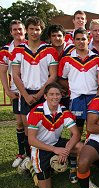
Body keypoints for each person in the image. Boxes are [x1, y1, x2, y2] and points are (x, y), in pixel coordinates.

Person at [11, 16, 58, 159]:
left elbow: (53, 76)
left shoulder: (50, 50)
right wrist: (25, 95)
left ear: (41, 30)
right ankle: (31, 159)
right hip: (26, 94)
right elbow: (15, 75)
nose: (34, 32)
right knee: (28, 129)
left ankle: (47, 158)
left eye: (37, 29)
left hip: (44, 93)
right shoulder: (18, 50)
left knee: (47, 127)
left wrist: (38, 95)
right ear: (27, 30)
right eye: (31, 29)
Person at [27, 82, 83, 188]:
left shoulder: (63, 110)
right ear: (45, 96)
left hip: (56, 143)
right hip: (40, 148)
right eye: (51, 94)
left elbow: (76, 134)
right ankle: (30, 166)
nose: (55, 97)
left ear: (61, 96)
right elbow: (31, 140)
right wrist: (55, 150)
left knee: (80, 146)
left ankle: (78, 174)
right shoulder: (36, 112)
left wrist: (66, 151)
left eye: (57, 94)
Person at [58, 28, 99, 134]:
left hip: (93, 97)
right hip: (76, 98)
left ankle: (91, 149)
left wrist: (97, 96)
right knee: (77, 130)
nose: (81, 42)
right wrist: (71, 90)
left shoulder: (97, 59)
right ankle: (76, 149)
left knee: (94, 129)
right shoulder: (66, 59)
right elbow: (62, 78)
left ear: (88, 40)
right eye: (78, 39)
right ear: (73, 40)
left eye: (83, 39)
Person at [0, 20, 27, 167]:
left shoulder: (32, 45)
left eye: (20, 29)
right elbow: (3, 72)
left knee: (34, 122)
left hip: (31, 90)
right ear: (11, 32)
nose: (18, 32)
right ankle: (21, 152)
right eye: (15, 29)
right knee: (19, 122)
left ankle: (33, 153)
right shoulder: (5, 50)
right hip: (17, 91)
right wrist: (8, 91)